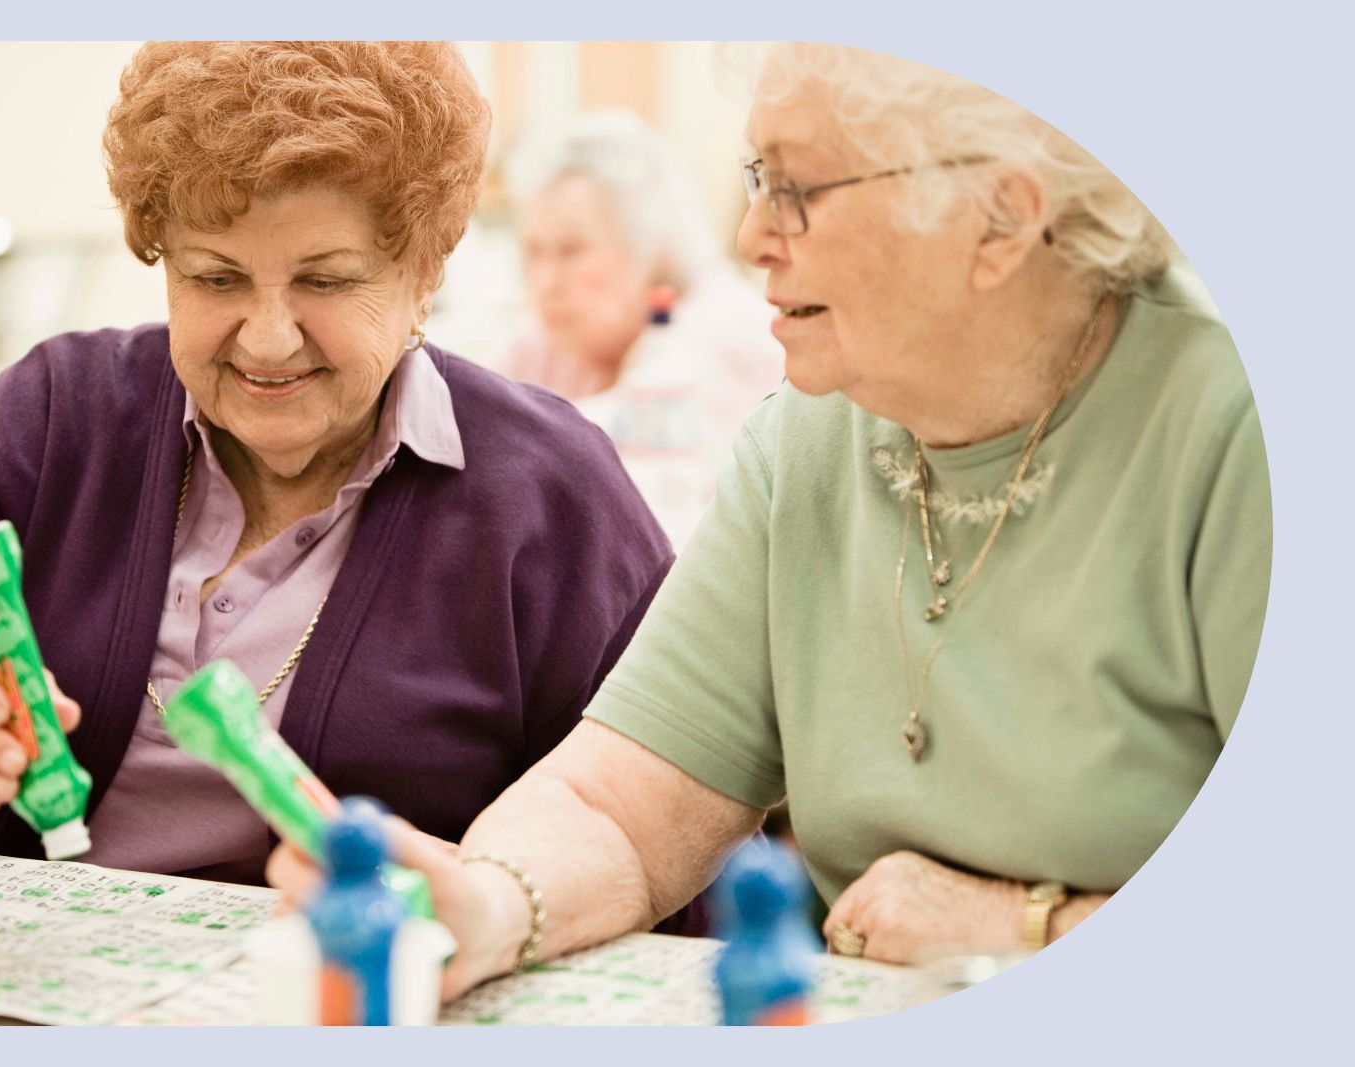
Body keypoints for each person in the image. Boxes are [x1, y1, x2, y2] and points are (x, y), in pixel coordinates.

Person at [269, 42, 1270, 998]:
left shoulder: (1236, 425)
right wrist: (489, 900)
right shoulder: (810, 435)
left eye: (795, 188)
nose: (748, 237)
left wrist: (1031, 928)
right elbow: (621, 802)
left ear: (1001, 218)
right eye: (755, 179)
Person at [0, 42, 676, 892]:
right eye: (216, 277)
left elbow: (668, 825)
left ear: (423, 275)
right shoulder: (56, 417)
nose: (268, 339)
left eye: (325, 280)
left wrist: (517, 893)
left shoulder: (552, 496)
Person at [504, 110, 784, 547]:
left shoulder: (725, 336)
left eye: (571, 250)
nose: (545, 282)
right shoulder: (546, 341)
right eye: (533, 252)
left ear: (653, 251)